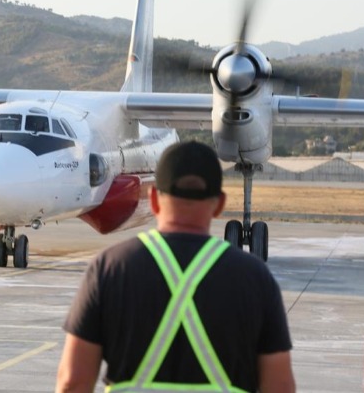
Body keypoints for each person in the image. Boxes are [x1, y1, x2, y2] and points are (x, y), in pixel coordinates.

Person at [56, 141, 295, 393]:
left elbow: (73, 382)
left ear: (154, 201)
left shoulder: (109, 269)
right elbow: (279, 386)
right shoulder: (255, 278)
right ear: (220, 205)